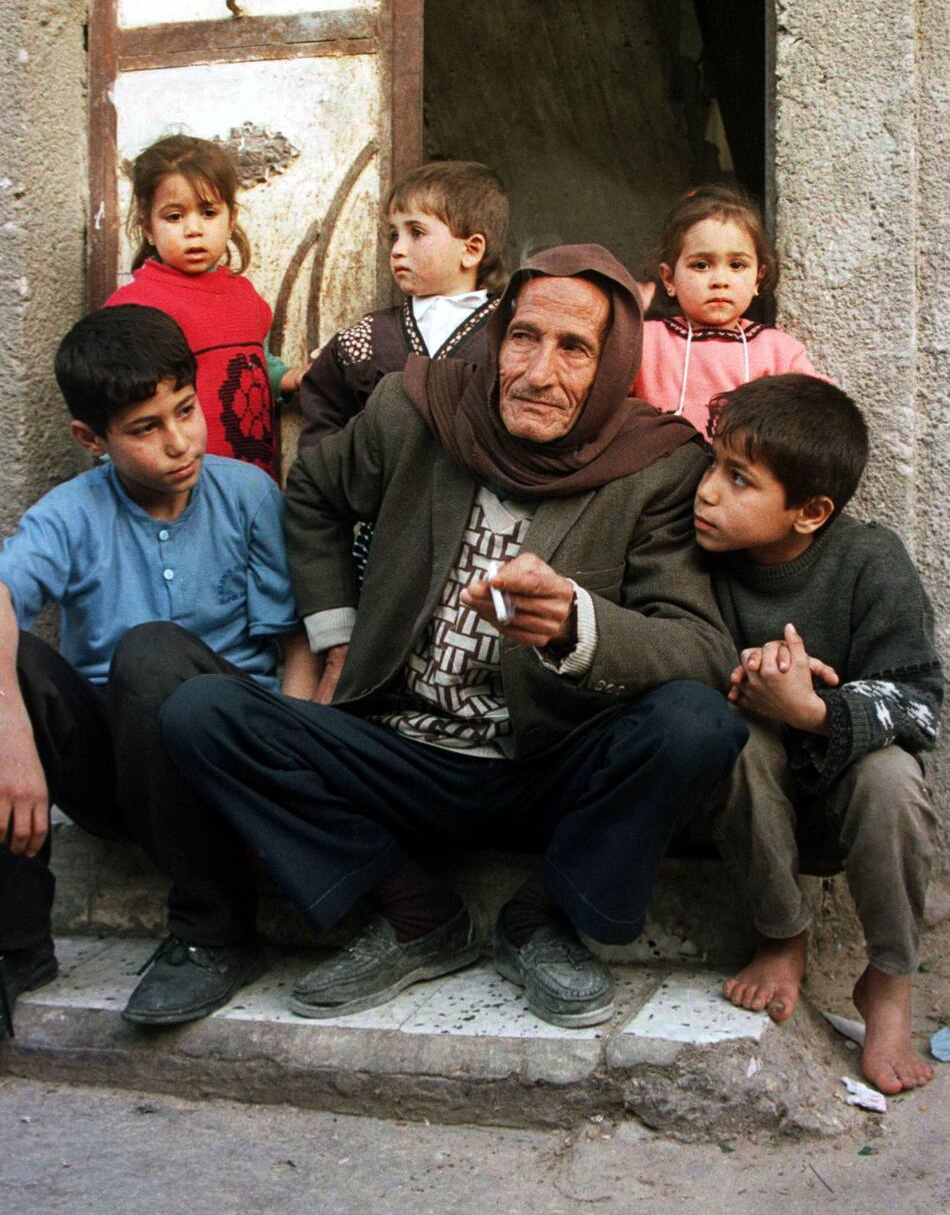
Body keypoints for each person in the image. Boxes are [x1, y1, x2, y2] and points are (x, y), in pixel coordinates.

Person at [162, 244, 747, 1030]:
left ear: (612, 366)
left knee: (697, 723)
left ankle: (544, 918)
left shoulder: (658, 467)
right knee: (202, 713)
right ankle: (413, 912)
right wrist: (337, 635)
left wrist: (579, 625)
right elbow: (312, 490)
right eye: (524, 338)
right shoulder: (421, 412)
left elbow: (701, 649)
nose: (538, 373)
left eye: (574, 349)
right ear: (497, 334)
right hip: (399, 747)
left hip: (550, 764)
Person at [0, 305, 316, 1036]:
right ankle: (16, 944)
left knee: (149, 650)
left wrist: (298, 756)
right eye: (145, 429)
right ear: (91, 439)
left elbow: (294, 645)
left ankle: (216, 931)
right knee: (16, 662)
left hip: (229, 758)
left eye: (185, 410)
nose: (180, 442)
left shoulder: (248, 494)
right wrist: (14, 738)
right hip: (121, 776)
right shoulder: (71, 513)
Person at [694, 374, 942, 1094]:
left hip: (848, 805)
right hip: (747, 805)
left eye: (738, 479)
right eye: (713, 465)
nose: (707, 491)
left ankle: (889, 983)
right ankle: (781, 935)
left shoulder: (870, 561)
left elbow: (921, 705)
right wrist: (748, 685)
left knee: (893, 776)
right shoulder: (698, 561)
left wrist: (815, 710)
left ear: (810, 512)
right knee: (735, 735)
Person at [106, 134, 304, 481]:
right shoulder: (134, 308)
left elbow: (256, 368)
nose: (194, 230)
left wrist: (292, 378)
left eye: (209, 212)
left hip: (251, 486)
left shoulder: (244, 296)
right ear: (147, 229)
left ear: (230, 219)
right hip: (177, 492)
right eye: (174, 216)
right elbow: (120, 412)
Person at [298, 159, 508, 447]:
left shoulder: (508, 334)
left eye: (416, 233)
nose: (397, 250)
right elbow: (323, 418)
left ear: (471, 250)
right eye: (394, 235)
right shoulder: (368, 336)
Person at [631, 184, 818, 434]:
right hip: (661, 468)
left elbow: (818, 415)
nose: (720, 279)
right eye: (701, 265)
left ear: (758, 278)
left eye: (737, 265)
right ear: (669, 279)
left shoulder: (779, 352)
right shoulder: (645, 341)